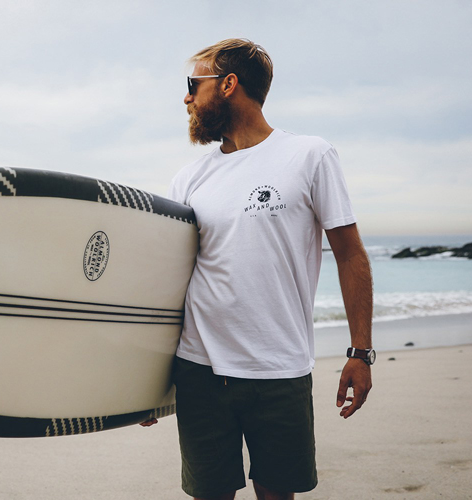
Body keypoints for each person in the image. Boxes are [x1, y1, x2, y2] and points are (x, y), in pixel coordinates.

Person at [141, 39, 374, 500]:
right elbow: (170, 280)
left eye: (194, 84)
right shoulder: (189, 178)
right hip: (199, 369)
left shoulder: (309, 155)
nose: (187, 97)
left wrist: (361, 352)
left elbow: (350, 255)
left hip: (279, 368)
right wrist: (146, 378)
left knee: (276, 493)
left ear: (228, 84)